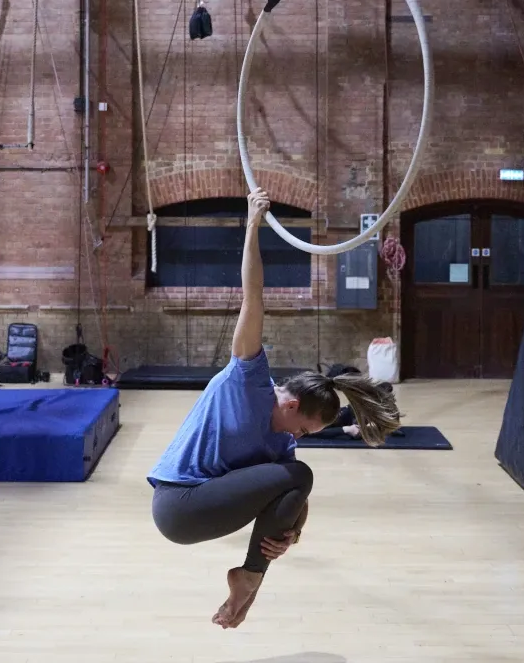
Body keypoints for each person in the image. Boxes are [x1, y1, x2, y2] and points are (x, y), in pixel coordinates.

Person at [147, 188, 403, 629]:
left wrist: (293, 533)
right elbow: (254, 297)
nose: (298, 438)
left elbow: (293, 495)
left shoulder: (279, 444)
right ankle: (247, 579)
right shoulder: (247, 380)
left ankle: (246, 587)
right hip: (179, 504)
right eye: (304, 428)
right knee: (300, 473)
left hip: (207, 510)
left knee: (298, 478)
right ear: (294, 402)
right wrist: (252, 226)